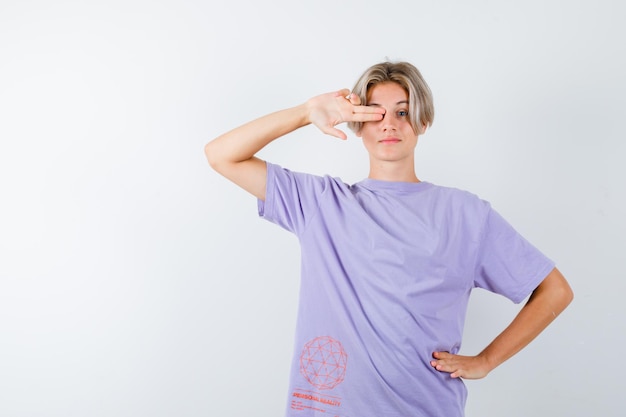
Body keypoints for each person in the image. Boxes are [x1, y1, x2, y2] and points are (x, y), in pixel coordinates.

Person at [204, 61, 573, 417]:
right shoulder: (320, 203)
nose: (388, 125)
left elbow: (554, 290)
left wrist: (488, 361)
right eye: (375, 113)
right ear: (357, 125)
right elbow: (221, 156)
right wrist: (306, 111)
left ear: (422, 121)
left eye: (402, 112)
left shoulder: (465, 214)